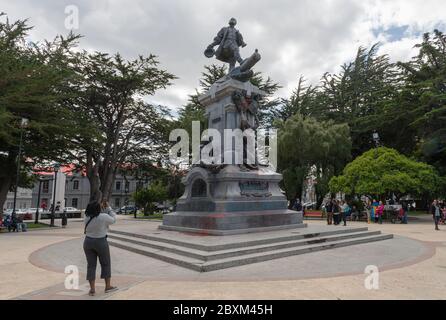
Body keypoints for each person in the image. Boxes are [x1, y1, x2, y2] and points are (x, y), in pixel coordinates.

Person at [83, 200, 117, 296]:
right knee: (105, 263)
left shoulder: (86, 217)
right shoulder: (104, 217)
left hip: (88, 242)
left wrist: (100, 208)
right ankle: (107, 286)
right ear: (98, 208)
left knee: (91, 266)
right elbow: (114, 219)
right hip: (101, 242)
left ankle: (92, 289)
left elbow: (94, 215)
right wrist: (108, 209)